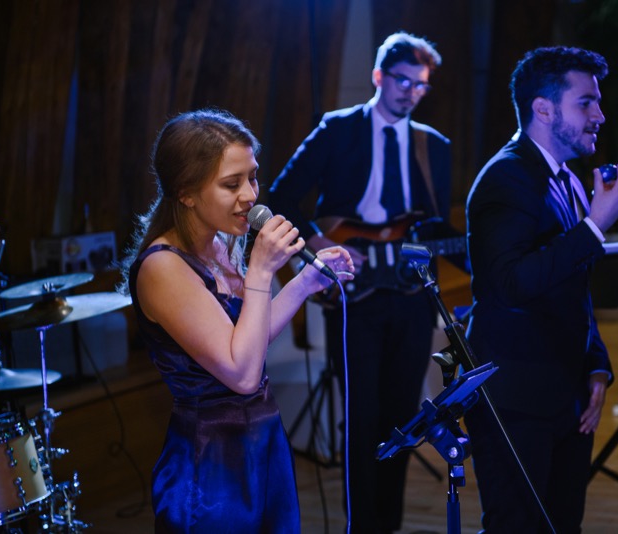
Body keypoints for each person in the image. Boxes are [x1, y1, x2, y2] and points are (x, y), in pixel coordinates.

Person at [119, 108, 354, 533]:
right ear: (186, 193)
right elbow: (243, 375)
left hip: (262, 442)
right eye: (232, 184)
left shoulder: (220, 244)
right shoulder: (163, 267)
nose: (250, 196)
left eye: (253, 177)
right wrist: (261, 271)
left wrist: (304, 283)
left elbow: (249, 341)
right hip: (212, 464)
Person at [268, 32, 451, 533]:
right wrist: (319, 243)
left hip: (411, 296)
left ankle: (388, 524)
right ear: (378, 76)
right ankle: (361, 526)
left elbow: (436, 226)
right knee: (361, 417)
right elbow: (281, 197)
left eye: (421, 85)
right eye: (403, 81)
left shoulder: (433, 146)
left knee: (403, 418)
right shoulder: (337, 129)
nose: (411, 93)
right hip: (354, 295)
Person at [464, 46, 618, 533]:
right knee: (516, 526)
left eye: (598, 102)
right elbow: (510, 285)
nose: (599, 115)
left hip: (565, 393)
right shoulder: (505, 177)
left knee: (563, 525)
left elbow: (572, 289)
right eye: (586, 102)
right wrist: (594, 228)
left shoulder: (568, 180)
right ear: (543, 109)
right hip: (516, 396)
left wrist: (596, 364)